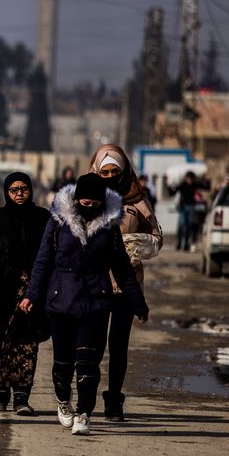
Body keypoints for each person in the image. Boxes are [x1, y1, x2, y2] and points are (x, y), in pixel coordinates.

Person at [19, 174, 149, 436]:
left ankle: (84, 412)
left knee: (88, 362)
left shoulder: (110, 227)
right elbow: (43, 261)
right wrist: (31, 295)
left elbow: (122, 268)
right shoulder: (58, 222)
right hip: (61, 299)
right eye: (84, 199)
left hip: (96, 300)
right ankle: (63, 401)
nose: (89, 204)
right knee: (63, 363)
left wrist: (138, 303)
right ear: (76, 198)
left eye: (94, 200)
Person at [89, 144, 163, 421]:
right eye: (104, 172)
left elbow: (156, 238)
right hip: (94, 282)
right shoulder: (86, 199)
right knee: (93, 343)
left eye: (114, 172)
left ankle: (114, 401)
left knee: (118, 344)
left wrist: (128, 246)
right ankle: (87, 395)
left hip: (126, 283)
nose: (109, 177)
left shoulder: (138, 202)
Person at [0, 172, 51, 415]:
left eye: (23, 189)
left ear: (31, 190)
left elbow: (51, 254)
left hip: (32, 291)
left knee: (26, 344)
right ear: (6, 192)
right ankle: (1, 392)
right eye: (13, 189)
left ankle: (21, 396)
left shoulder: (43, 218)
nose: (18, 194)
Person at [174, 171, 201, 251]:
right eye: (188, 178)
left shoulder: (195, 185)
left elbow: (206, 186)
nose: (190, 180)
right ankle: (179, 243)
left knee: (189, 226)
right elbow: (173, 191)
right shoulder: (182, 185)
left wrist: (208, 180)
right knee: (182, 226)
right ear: (186, 178)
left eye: (191, 179)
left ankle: (186, 244)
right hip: (183, 207)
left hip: (191, 207)